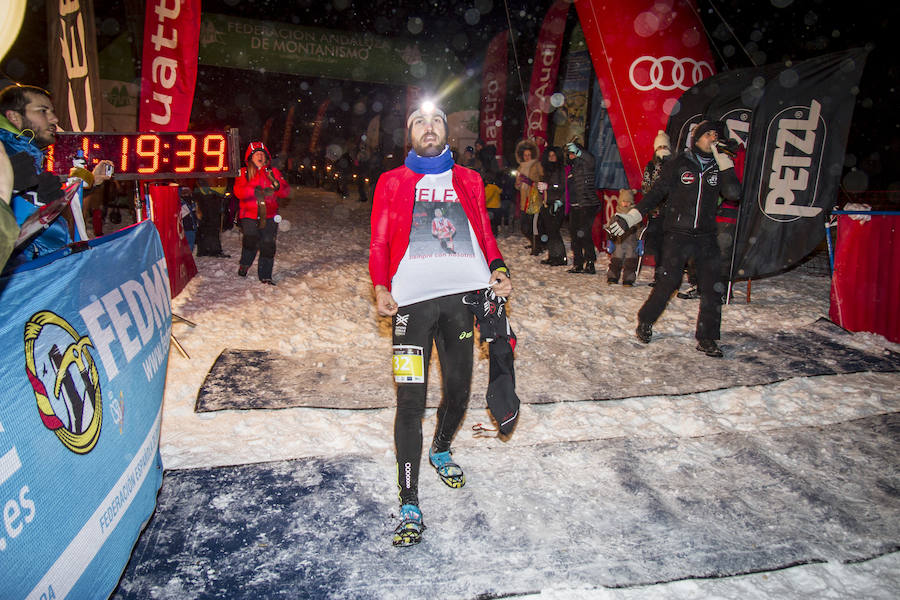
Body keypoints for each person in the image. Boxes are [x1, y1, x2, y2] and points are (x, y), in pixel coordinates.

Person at [369, 101, 512, 547]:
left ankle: (442, 448)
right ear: (409, 133)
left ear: (446, 131)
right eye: (419, 122)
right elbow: (378, 240)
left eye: (435, 121)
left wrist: (499, 268)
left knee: (459, 391)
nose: (428, 127)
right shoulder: (392, 181)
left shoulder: (469, 179)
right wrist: (379, 286)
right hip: (410, 305)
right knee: (410, 402)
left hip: (460, 303)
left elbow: (484, 231)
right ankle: (409, 501)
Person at [607, 120, 741, 357]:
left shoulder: (719, 165)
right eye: (707, 134)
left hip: (706, 236)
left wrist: (725, 162)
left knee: (712, 287)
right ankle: (645, 320)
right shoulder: (680, 163)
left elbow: (733, 193)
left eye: (716, 135)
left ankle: (707, 337)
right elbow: (656, 194)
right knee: (668, 282)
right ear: (696, 138)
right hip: (678, 234)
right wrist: (631, 217)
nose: (712, 138)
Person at [0, 84, 113, 263]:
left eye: (52, 111)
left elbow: (39, 204)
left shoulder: (27, 153)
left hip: (44, 268)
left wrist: (88, 184)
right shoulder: (5, 156)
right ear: (14, 116)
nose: (54, 119)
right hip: (24, 274)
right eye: (43, 111)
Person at [233, 141, 289, 285]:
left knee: (268, 244)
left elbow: (285, 192)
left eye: (262, 154)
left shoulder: (273, 172)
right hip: (249, 215)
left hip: (269, 216)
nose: (260, 156)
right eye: (257, 154)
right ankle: (245, 264)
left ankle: (265, 276)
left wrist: (278, 187)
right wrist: (254, 190)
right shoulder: (243, 172)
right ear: (250, 157)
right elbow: (238, 192)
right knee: (251, 241)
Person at [565, 140, 599, 274]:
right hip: (575, 206)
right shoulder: (572, 168)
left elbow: (591, 160)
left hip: (587, 204)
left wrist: (580, 153)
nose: (571, 155)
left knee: (584, 233)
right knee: (574, 235)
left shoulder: (585, 164)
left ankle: (590, 262)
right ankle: (578, 263)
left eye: (573, 152)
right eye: (570, 153)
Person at [537, 146, 567, 266]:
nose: (551, 158)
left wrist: (548, 187)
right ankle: (553, 255)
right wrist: (542, 190)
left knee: (554, 231)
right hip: (547, 202)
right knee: (549, 231)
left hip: (556, 203)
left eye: (553, 155)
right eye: (549, 156)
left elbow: (562, 186)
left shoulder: (561, 170)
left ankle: (560, 257)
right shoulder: (547, 171)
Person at [605, 189, 640, 285]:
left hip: (631, 244)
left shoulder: (634, 216)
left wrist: (640, 241)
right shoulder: (616, 216)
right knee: (616, 261)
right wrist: (610, 240)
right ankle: (613, 277)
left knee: (630, 263)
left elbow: (639, 230)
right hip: (618, 243)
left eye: (628, 202)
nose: (625, 204)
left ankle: (628, 278)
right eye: (623, 201)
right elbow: (610, 229)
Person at [514, 139, 543, 254]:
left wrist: (531, 182)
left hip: (534, 200)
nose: (527, 157)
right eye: (525, 155)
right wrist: (518, 183)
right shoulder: (520, 167)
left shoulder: (537, 165)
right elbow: (517, 186)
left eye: (529, 155)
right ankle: (534, 242)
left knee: (534, 225)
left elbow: (542, 181)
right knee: (524, 227)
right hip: (524, 201)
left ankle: (537, 246)